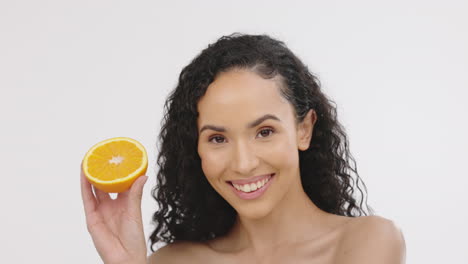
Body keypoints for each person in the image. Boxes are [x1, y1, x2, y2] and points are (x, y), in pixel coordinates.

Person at [81, 33, 406, 264]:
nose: (244, 163)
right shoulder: (171, 261)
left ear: (303, 130)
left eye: (264, 132)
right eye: (217, 138)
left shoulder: (366, 242)